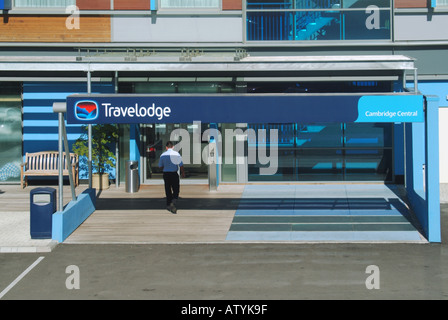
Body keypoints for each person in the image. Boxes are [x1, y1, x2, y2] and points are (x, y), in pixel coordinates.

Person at [158, 141, 185, 214]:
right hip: (174, 174)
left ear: (166, 147)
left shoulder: (162, 155)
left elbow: (160, 166)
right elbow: (181, 165)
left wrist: (165, 166)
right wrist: (183, 173)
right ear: (173, 147)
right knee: (176, 189)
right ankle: (173, 201)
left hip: (166, 174)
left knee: (167, 189)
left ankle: (168, 204)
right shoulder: (176, 154)